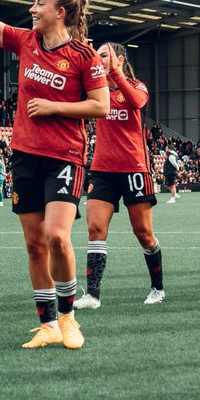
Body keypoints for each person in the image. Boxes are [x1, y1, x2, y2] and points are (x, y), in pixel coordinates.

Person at [0, 0, 108, 350]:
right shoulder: (26, 41)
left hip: (65, 155)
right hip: (25, 155)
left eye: (39, 3)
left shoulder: (84, 57)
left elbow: (100, 105)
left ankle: (68, 317)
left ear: (59, 12)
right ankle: (46, 324)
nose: (32, 9)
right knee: (34, 244)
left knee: (57, 237)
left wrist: (53, 106)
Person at [75, 42, 165, 308]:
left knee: (143, 233)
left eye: (104, 55)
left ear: (119, 58)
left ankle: (158, 288)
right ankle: (92, 295)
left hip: (134, 168)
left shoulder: (137, 86)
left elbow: (137, 103)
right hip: (102, 170)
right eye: (97, 55)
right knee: (95, 229)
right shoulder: (96, 91)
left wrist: (116, 74)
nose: (98, 60)